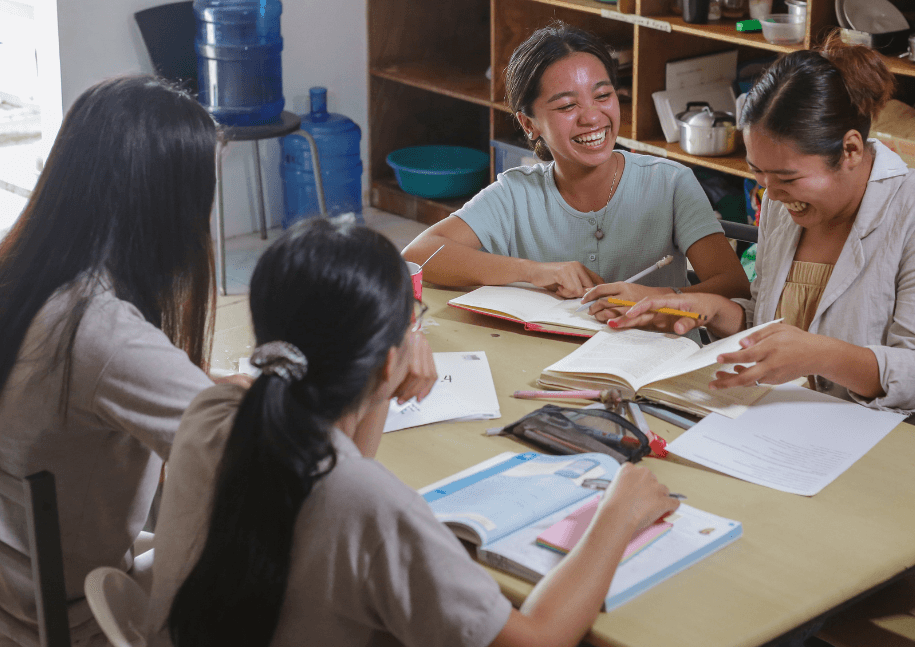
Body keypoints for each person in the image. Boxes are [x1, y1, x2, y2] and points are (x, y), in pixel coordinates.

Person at [146, 218, 679, 647]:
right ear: (386, 361)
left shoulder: (212, 413)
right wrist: (618, 515)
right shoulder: (372, 507)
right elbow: (536, 640)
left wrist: (383, 378)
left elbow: (346, 467)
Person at [593, 36, 915, 460]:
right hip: (803, 430)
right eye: (758, 172)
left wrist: (819, 355)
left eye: (787, 177)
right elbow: (774, 320)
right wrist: (708, 309)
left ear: (850, 149)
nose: (770, 193)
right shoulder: (784, 205)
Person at [0, 75, 227, 645]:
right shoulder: (99, 330)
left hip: (20, 593)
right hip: (70, 622)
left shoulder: (27, 274)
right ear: (167, 208)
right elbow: (254, 460)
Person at [403, 21, 749, 307]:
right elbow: (418, 254)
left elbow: (734, 287)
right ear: (529, 124)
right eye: (568, 106)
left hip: (656, 360)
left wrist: (656, 298)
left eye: (603, 96)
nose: (592, 117)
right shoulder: (516, 192)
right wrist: (534, 271)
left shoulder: (670, 183)